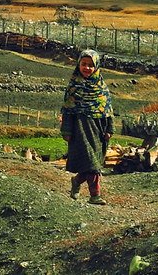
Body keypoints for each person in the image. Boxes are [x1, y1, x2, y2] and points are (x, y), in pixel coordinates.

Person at [60, 48, 114, 205]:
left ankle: (77, 181)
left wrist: (110, 129)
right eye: (84, 64)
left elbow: (108, 111)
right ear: (78, 65)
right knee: (92, 164)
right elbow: (68, 111)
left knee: (92, 164)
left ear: (96, 66)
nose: (87, 68)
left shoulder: (102, 88)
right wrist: (66, 130)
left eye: (91, 65)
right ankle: (95, 195)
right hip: (80, 130)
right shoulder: (73, 87)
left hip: (99, 131)